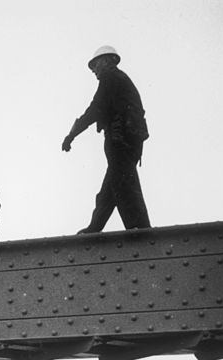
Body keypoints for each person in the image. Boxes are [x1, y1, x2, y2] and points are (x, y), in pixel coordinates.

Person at [62, 45, 151, 233]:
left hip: (120, 140)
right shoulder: (119, 79)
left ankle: (140, 228)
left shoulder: (111, 78)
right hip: (129, 140)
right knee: (112, 184)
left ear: (106, 62)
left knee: (124, 182)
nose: (93, 70)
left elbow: (95, 109)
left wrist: (71, 135)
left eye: (95, 65)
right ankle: (96, 225)